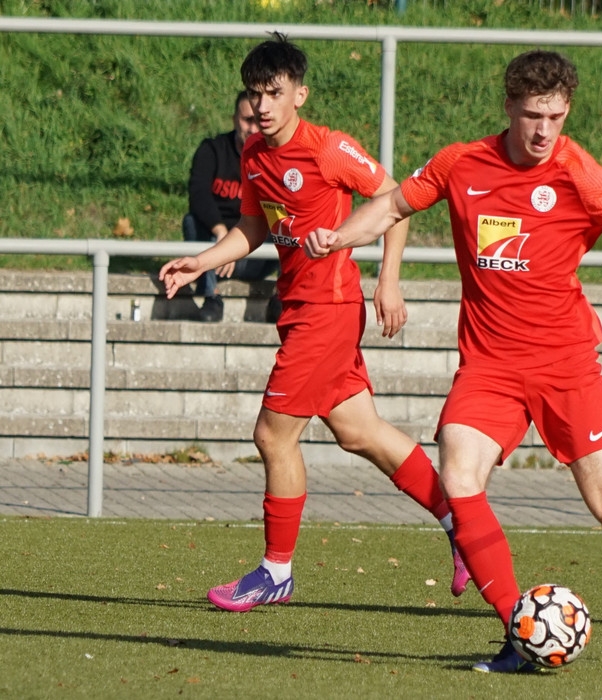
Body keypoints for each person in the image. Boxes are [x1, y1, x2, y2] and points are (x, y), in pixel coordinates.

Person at [305, 49, 602, 672]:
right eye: (532, 115)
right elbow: (392, 206)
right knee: (459, 476)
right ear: (509, 107)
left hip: (566, 367)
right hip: (489, 368)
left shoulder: (580, 174)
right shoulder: (461, 163)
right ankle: (517, 633)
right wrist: (341, 236)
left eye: (555, 117)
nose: (543, 131)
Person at [160, 33, 470, 612]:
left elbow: (395, 200)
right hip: (299, 308)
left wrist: (388, 281)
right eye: (255, 94)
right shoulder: (255, 154)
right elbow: (254, 227)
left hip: (328, 311)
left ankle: (276, 571)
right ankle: (463, 525)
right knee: (359, 432)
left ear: (299, 94)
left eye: (274, 93)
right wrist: (200, 261)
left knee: (272, 435)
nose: (263, 105)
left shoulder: (328, 149)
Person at [183, 89, 280, 322]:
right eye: (247, 120)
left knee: (286, 225)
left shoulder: (275, 158)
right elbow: (198, 194)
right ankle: (211, 296)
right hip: (216, 247)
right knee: (192, 222)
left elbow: (279, 208)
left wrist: (240, 244)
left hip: (256, 249)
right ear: (235, 119)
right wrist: (221, 233)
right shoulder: (212, 150)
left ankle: (281, 298)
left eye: (258, 121)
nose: (253, 128)